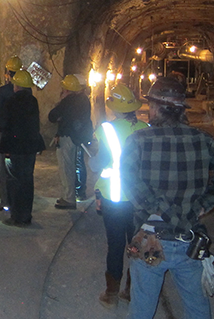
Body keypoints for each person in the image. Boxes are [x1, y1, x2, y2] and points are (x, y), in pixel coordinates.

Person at [121, 76, 214, 319]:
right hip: (189, 240)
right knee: (197, 307)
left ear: (156, 108)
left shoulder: (138, 141)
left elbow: (129, 178)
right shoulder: (201, 140)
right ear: (180, 109)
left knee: (142, 307)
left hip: (150, 241)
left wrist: (155, 206)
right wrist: (205, 203)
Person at [89, 84, 148, 307]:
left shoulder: (106, 130)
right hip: (140, 200)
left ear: (113, 106)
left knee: (115, 246)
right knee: (137, 246)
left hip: (113, 199)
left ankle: (111, 294)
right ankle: (131, 291)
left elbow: (97, 164)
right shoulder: (145, 127)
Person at [0, 70, 44, 227]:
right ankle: (26, 215)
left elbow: (4, 125)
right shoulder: (33, 101)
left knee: (14, 180)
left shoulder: (10, 102)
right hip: (30, 147)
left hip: (14, 147)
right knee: (27, 180)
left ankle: (16, 215)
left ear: (16, 85)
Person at [48, 74, 92, 210]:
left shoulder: (69, 101)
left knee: (66, 168)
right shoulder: (84, 100)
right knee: (76, 166)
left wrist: (61, 103)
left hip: (67, 138)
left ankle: (68, 198)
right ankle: (76, 193)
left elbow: (52, 116)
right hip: (78, 138)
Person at [0, 55, 22, 211]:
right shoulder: (27, 89)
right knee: (19, 167)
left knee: (4, 168)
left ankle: (5, 200)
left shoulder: (3, 91)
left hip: (5, 133)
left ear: (7, 73)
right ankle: (17, 198)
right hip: (21, 134)